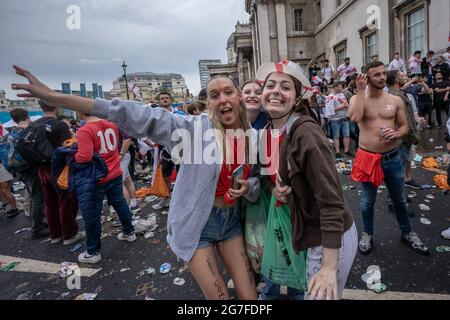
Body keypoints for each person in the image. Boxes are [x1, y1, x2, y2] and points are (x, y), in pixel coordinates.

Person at [11, 66, 259, 300]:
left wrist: (248, 187)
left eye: (228, 92)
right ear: (208, 105)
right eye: (214, 95)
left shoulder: (253, 137)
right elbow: (135, 113)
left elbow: (257, 181)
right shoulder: (193, 130)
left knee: (250, 297)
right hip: (197, 226)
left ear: (239, 96)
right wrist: (57, 97)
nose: (223, 99)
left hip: (230, 223)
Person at [256, 60, 357, 300]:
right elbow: (268, 176)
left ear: (298, 97)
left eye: (285, 87)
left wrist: (329, 267)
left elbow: (332, 202)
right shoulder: (267, 133)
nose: (276, 91)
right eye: (270, 85)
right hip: (302, 231)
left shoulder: (306, 133)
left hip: (327, 238)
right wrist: (275, 190)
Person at [348, 61, 429, 256]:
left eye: (384, 73)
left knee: (399, 199)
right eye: (377, 75)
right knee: (367, 201)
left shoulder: (395, 100)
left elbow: (404, 127)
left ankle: (407, 233)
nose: (382, 77)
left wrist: (396, 134)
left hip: (393, 158)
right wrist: (360, 92)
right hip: (368, 158)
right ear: (366, 78)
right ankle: (367, 233)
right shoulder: (358, 99)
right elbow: (354, 117)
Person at [74, 112, 136, 263]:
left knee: (92, 213)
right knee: (120, 203)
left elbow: (84, 156)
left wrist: (72, 155)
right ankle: (129, 232)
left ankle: (93, 251)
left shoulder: (84, 130)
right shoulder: (111, 124)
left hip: (97, 177)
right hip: (114, 172)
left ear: (81, 111)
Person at [33, 101, 83, 245]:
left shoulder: (34, 124)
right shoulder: (59, 125)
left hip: (41, 168)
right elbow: (68, 146)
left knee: (50, 202)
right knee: (66, 201)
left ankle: (55, 234)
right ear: (56, 106)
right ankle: (69, 234)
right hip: (60, 168)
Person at [9, 108, 48, 237]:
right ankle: (38, 228)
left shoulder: (11, 133)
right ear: (27, 116)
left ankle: (39, 222)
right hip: (32, 168)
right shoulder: (30, 131)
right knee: (38, 198)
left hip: (19, 169)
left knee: (33, 196)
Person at [152, 91, 176, 210]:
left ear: (170, 100)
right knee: (165, 176)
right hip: (165, 151)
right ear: (159, 102)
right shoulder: (156, 116)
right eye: (162, 99)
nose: (165, 100)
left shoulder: (179, 113)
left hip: (180, 150)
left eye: (167, 98)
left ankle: (182, 198)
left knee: (183, 175)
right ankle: (166, 199)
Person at [325, 82, 352, 158]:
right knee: (336, 136)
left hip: (344, 118)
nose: (342, 88)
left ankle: (346, 151)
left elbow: (347, 105)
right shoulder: (330, 97)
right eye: (340, 87)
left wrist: (346, 105)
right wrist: (340, 107)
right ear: (335, 87)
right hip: (335, 120)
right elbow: (329, 109)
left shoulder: (342, 94)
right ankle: (337, 152)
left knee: (347, 135)